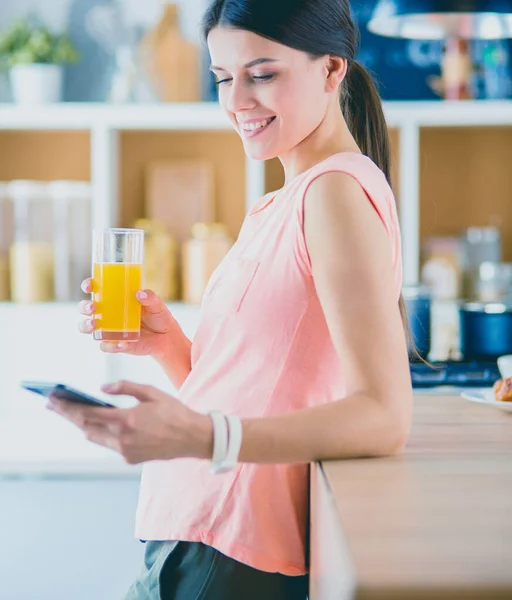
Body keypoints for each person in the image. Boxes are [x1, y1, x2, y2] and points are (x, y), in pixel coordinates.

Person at [48, 0, 413, 598]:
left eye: (262, 74)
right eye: (223, 77)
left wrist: (201, 438)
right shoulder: (285, 200)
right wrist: (171, 346)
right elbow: (259, 390)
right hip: (198, 531)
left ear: (331, 70)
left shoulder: (335, 194)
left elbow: (383, 415)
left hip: (231, 548)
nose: (237, 100)